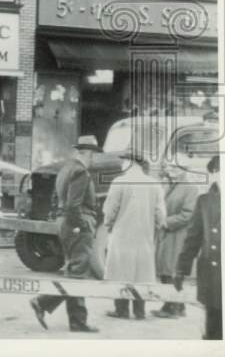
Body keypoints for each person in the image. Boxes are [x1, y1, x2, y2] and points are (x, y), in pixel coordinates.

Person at [30, 135, 102, 333]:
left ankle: (74, 320)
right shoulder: (81, 172)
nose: (94, 158)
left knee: (74, 271)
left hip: (65, 223)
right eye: (94, 154)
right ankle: (45, 304)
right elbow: (74, 205)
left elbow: (57, 198)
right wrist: (81, 226)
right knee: (79, 272)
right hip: (76, 224)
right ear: (87, 153)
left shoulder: (65, 170)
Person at [103, 152, 166, 319]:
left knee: (121, 273)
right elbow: (160, 214)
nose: (121, 164)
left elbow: (110, 210)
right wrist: (157, 227)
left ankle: (121, 310)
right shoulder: (154, 184)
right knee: (141, 273)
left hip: (122, 235)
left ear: (130, 163)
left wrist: (108, 225)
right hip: (145, 236)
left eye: (124, 161)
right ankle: (139, 311)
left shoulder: (119, 182)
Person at [174, 154, 222, 339]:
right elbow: (193, 238)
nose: (218, 175)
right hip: (212, 277)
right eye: (216, 171)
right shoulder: (204, 200)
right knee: (213, 330)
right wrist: (181, 269)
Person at [152, 162, 199, 318]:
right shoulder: (168, 185)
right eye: (170, 166)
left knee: (173, 271)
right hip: (167, 234)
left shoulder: (190, 188)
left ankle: (175, 308)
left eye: (176, 167)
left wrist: (167, 222)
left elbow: (188, 214)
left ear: (185, 169)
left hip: (178, 235)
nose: (171, 169)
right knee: (166, 271)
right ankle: (173, 305)